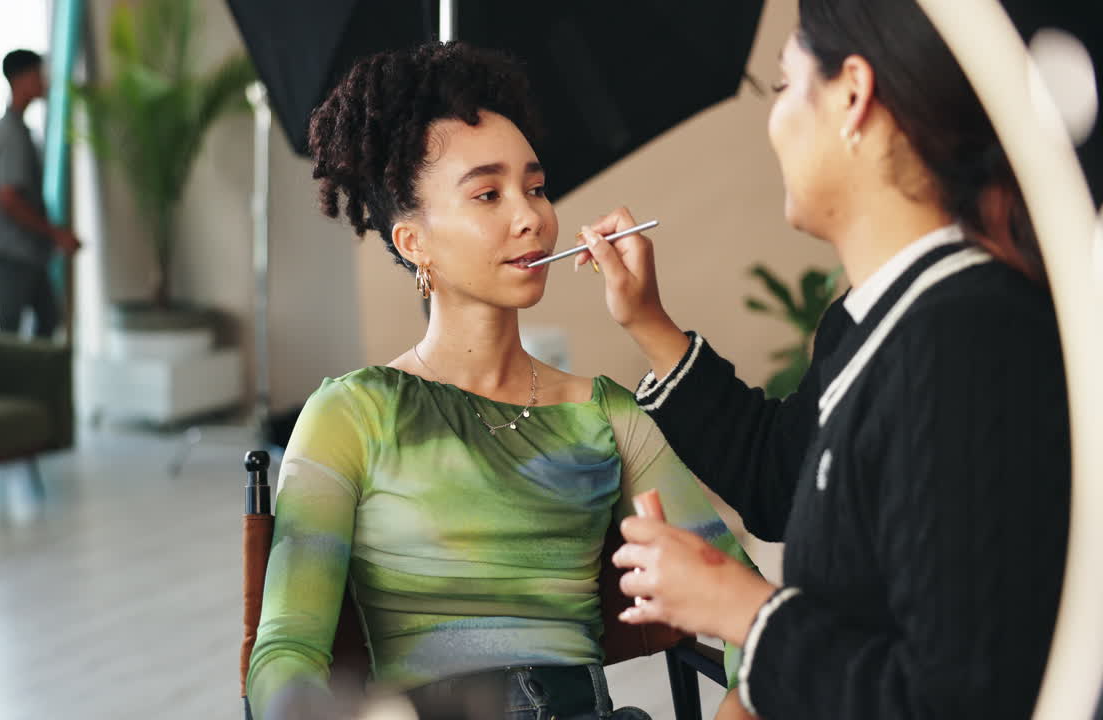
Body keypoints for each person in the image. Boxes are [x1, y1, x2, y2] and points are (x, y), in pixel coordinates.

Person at [578, 1, 1071, 718]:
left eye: (783, 86)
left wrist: (745, 610)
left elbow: (962, 695)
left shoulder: (970, 343)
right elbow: (781, 481)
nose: (773, 123)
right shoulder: (871, 321)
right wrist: (647, 321)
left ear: (851, 95)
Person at [247, 42, 754, 720]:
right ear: (413, 243)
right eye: (488, 194)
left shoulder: (606, 414)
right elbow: (284, 653)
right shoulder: (353, 413)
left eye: (537, 187)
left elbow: (750, 612)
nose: (532, 217)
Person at [0, 49, 78, 339]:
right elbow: (8, 198)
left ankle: (39, 384)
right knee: (11, 332)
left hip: (29, 253)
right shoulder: (10, 133)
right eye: (39, 75)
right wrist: (54, 233)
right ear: (21, 80)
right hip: (16, 252)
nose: (44, 82)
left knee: (47, 324)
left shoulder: (19, 131)